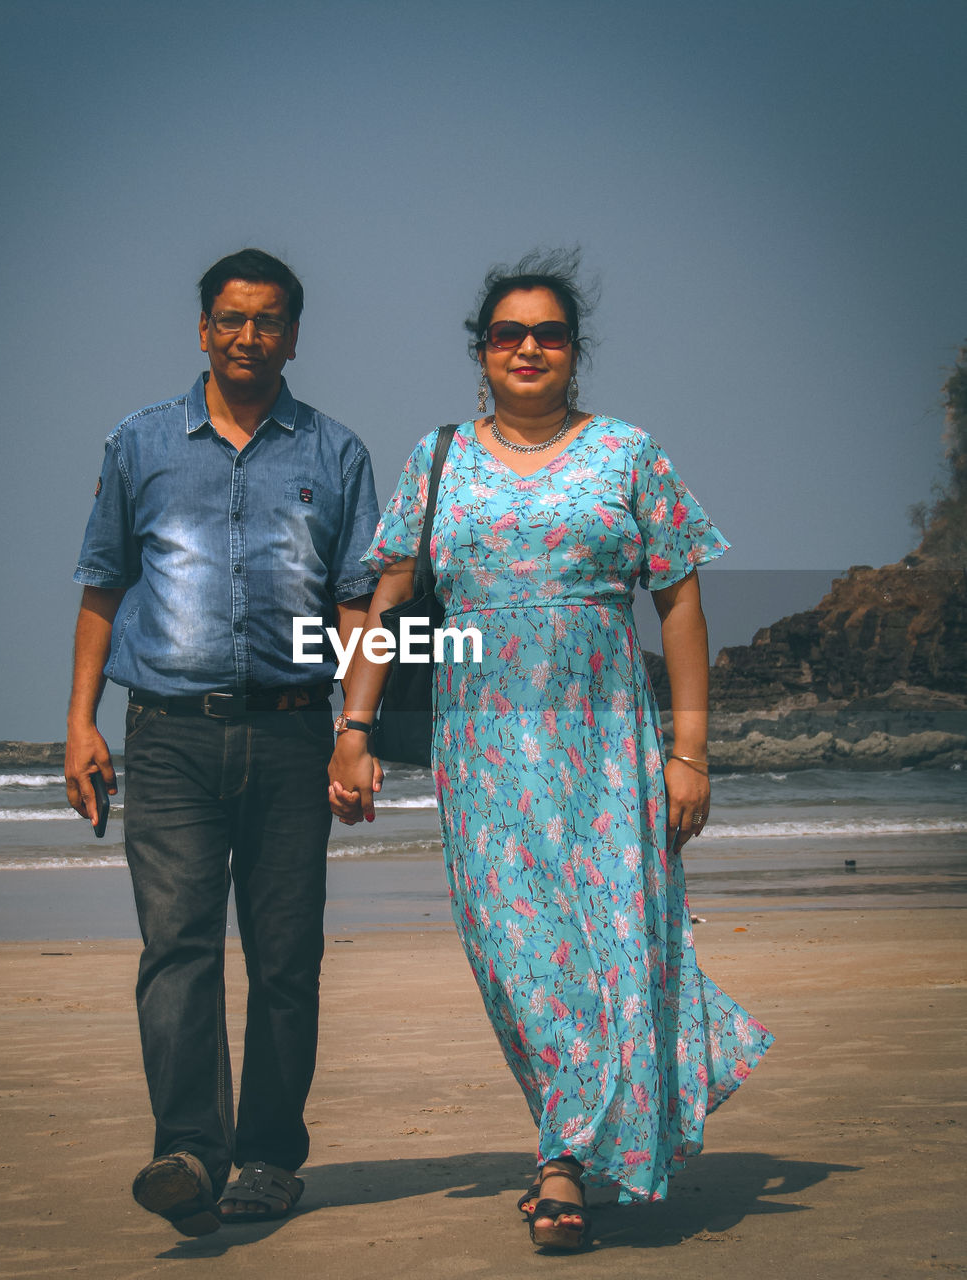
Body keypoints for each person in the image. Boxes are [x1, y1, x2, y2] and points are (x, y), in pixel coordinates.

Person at [329, 252, 772, 1252]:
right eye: (507, 333)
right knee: (513, 949)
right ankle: (580, 1126)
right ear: (481, 352)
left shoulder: (628, 452)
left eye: (549, 333)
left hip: (606, 743)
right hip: (480, 750)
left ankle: (563, 1157)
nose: (528, 347)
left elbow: (681, 602)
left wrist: (690, 752)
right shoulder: (438, 458)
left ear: (575, 351)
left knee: (615, 941)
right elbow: (391, 601)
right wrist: (352, 730)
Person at [64, 248, 379, 1235]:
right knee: (179, 948)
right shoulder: (140, 443)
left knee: (286, 955)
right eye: (232, 319)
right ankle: (190, 1148)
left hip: (293, 736)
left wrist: (355, 732)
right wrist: (78, 722)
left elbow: (359, 605)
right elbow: (103, 584)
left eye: (270, 319)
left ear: (295, 334)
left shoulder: (336, 454)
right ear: (203, 327)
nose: (250, 336)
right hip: (165, 737)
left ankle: (270, 1158)